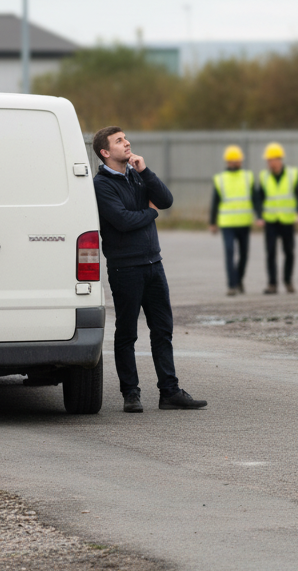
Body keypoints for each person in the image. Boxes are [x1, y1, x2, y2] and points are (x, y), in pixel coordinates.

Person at [92, 126, 207, 414]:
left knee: (162, 330)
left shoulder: (136, 176)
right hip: (125, 268)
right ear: (105, 152)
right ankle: (131, 393)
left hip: (153, 264)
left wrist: (145, 172)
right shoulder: (101, 184)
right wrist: (151, 213)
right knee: (127, 333)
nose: (127, 143)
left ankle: (169, 391)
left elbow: (166, 200)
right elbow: (121, 220)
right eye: (119, 141)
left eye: (125, 138)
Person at [255, 142, 298, 295]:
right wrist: (259, 215)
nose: (270, 163)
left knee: (289, 251)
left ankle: (288, 281)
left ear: (279, 159)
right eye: (268, 160)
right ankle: (272, 284)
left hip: (288, 220)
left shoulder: (292, 174)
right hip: (270, 220)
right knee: (270, 252)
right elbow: (258, 198)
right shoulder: (264, 176)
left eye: (272, 160)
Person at [209, 145, 255, 296]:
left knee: (244, 254)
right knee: (229, 252)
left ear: (241, 161)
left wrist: (260, 216)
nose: (234, 164)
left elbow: (256, 199)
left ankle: (239, 279)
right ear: (227, 162)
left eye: (237, 161)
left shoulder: (248, 177)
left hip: (244, 222)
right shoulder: (220, 179)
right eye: (231, 161)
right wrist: (212, 222)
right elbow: (215, 202)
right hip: (227, 223)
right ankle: (232, 285)